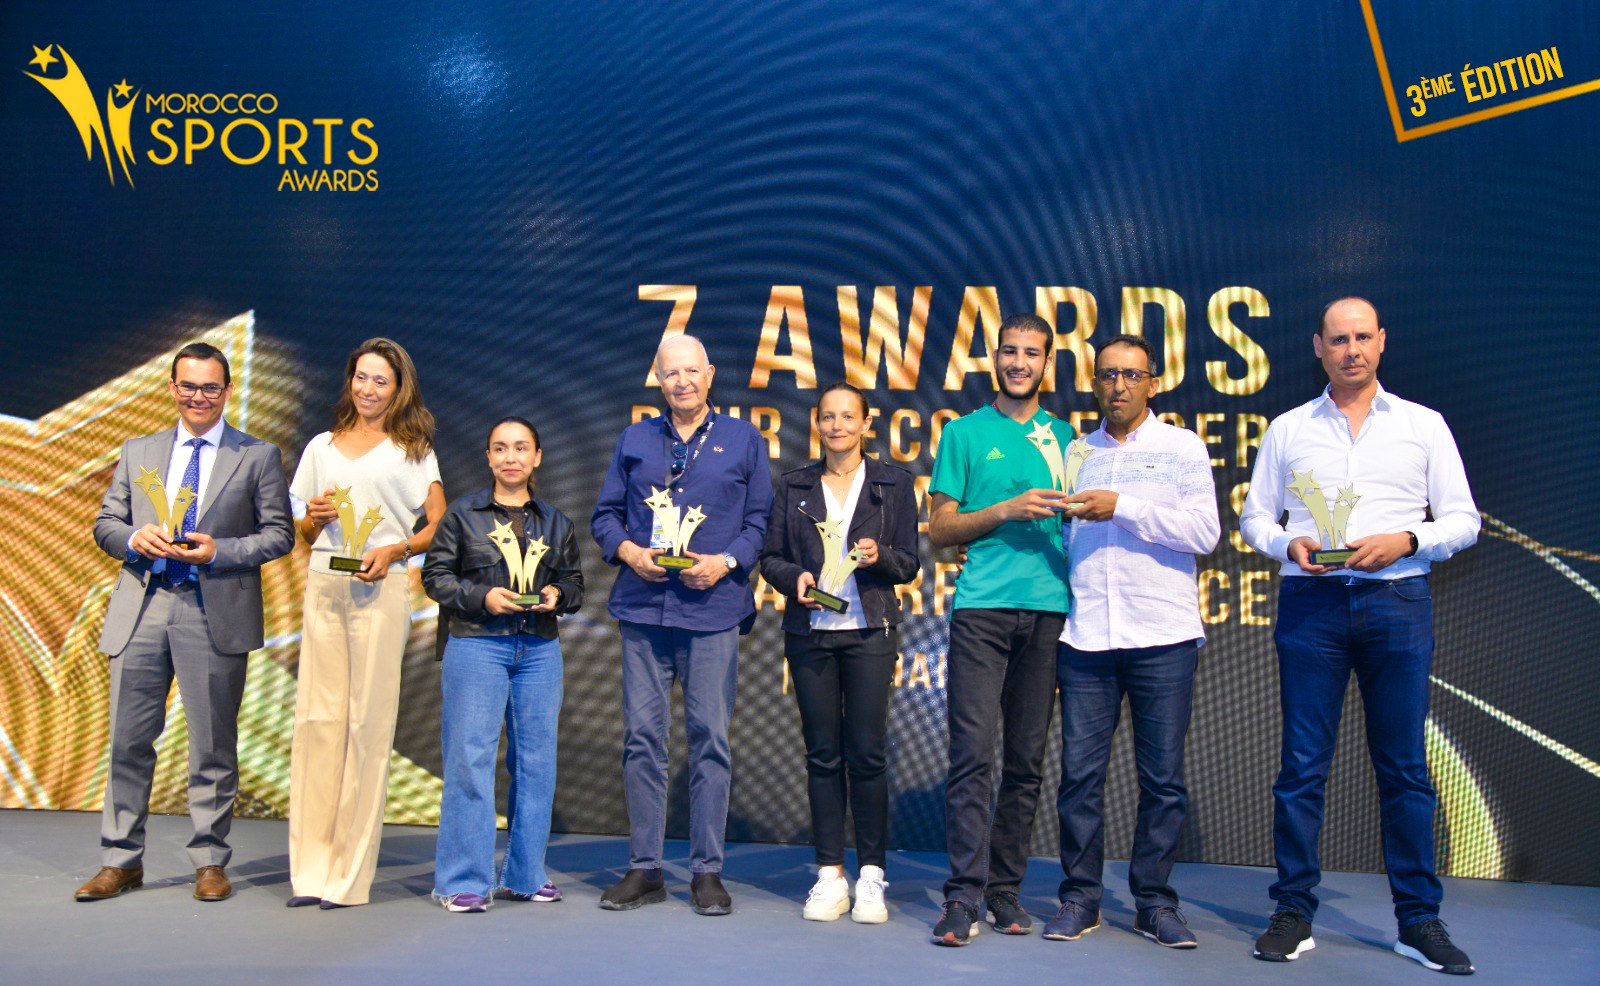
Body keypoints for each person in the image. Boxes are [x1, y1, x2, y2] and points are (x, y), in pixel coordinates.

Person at [1241, 298, 1479, 974]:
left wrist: (1408, 539)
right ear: (1319, 346)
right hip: (1311, 604)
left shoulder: (1423, 425)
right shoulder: (1288, 428)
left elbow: (1463, 520)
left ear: (1382, 342)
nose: (1352, 350)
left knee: (1404, 768)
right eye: (1339, 339)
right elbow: (1255, 519)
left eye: (1363, 337)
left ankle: (1419, 920)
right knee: (1301, 768)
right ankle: (1293, 911)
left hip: (1396, 602)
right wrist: (1288, 545)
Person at [76, 342, 294, 903]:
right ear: (173, 387)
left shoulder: (256, 455)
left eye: (210, 387)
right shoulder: (139, 450)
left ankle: (210, 862)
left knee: (212, 745)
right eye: (189, 386)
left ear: (227, 391)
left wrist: (219, 550)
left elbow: (279, 534)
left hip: (211, 608)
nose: (199, 397)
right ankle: (120, 860)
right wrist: (133, 538)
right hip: (143, 606)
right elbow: (105, 523)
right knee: (128, 741)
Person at [1040, 335, 1220, 949]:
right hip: (1087, 634)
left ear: (1153, 382)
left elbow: (1204, 533)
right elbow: (1061, 537)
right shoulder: (1075, 451)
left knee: (1162, 781)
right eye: (1108, 375)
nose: (1118, 386)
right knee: (1079, 779)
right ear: (1095, 382)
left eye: (1132, 375)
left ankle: (1154, 903)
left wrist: (1124, 507)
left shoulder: (1182, 447)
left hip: (1162, 633)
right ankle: (1080, 898)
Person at [590, 334, 773, 916]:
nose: (682, 382)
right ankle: (645, 868)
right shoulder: (635, 439)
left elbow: (760, 523)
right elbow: (605, 517)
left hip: (713, 610)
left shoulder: (744, 439)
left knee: (710, 740)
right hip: (644, 608)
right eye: (671, 373)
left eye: (692, 371)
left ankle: (706, 871)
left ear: (710, 374)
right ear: (659, 379)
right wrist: (628, 552)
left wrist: (725, 563)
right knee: (642, 740)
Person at [925, 312, 1075, 946]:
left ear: (1047, 363)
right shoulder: (962, 433)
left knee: (1027, 761)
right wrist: (1005, 510)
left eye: (1031, 353)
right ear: (995, 359)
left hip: (1049, 612)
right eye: (1009, 351)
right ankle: (962, 894)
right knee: (971, 757)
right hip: (982, 609)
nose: (1019, 362)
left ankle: (1004, 890)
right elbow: (941, 530)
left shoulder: (1068, 437)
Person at [286, 338, 445, 909]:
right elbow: (305, 532)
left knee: (366, 726)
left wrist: (398, 550)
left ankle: (349, 878)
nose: (369, 389)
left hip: (382, 588)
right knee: (317, 722)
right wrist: (312, 519)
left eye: (381, 380)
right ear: (349, 380)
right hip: (325, 586)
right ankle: (309, 874)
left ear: (399, 388)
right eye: (361, 377)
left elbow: (437, 524)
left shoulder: (413, 450)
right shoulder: (320, 447)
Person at [759, 382, 920, 923]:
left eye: (848, 417)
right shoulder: (795, 484)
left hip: (870, 632)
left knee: (867, 754)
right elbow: (771, 557)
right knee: (822, 754)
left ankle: (871, 874)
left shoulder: (894, 483)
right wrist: (795, 579)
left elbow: (910, 563)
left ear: (867, 424)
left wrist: (880, 557)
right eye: (828, 417)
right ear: (817, 423)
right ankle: (830, 875)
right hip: (811, 633)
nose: (837, 426)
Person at [422, 417, 584, 914]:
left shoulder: (556, 522)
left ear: (537, 457)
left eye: (520, 448)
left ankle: (524, 874)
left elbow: (575, 583)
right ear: (489, 457)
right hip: (477, 644)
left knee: (537, 764)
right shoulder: (462, 515)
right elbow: (435, 576)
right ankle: (462, 880)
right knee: (470, 760)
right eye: (500, 448)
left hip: (538, 649)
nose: (510, 457)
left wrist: (558, 595)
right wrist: (481, 596)